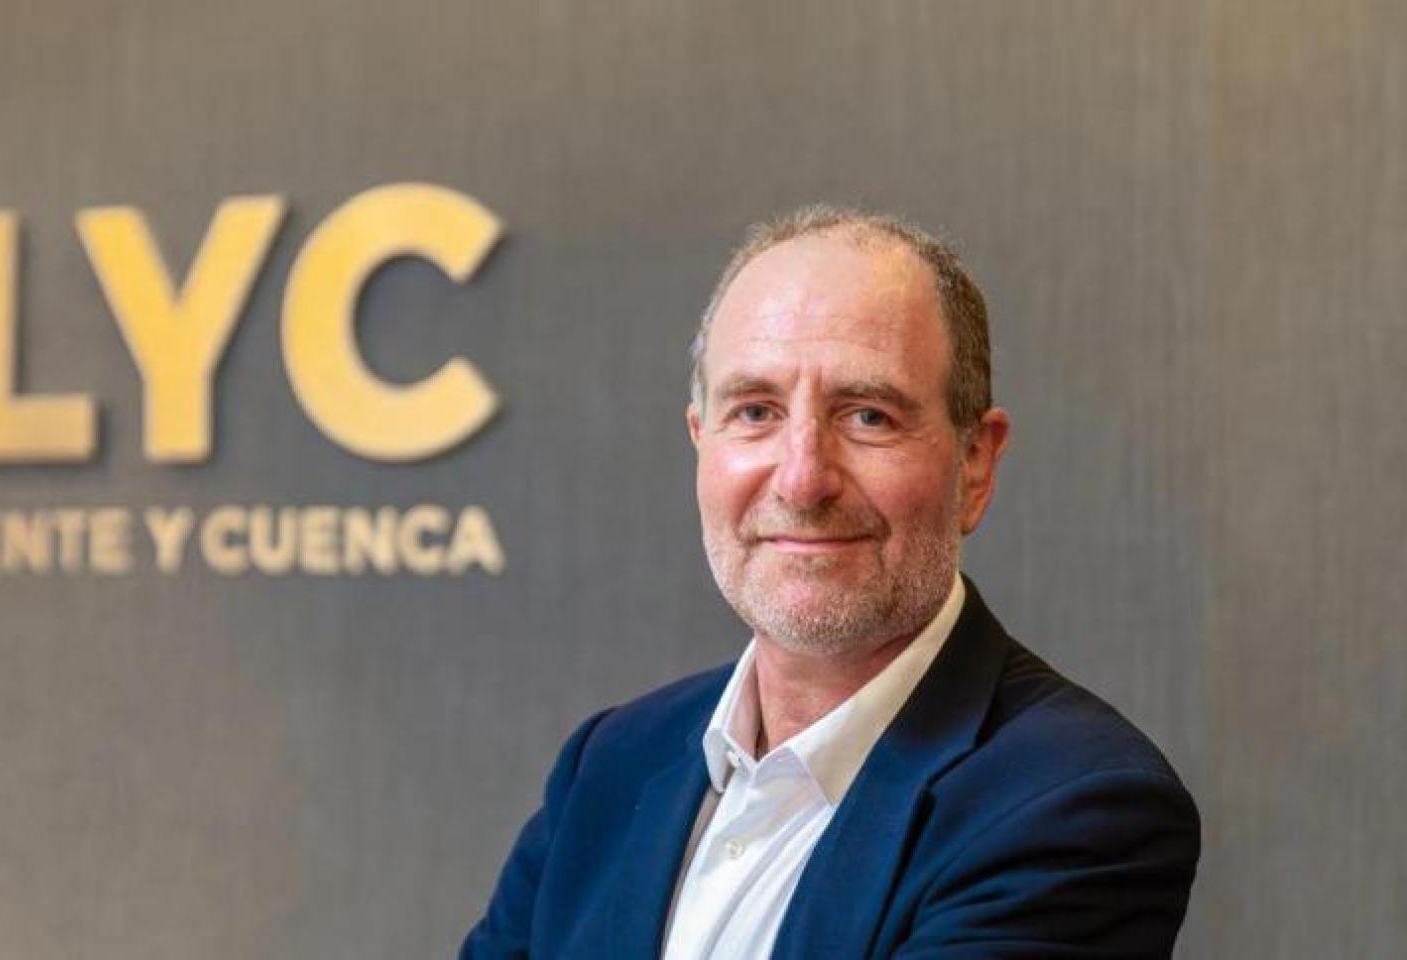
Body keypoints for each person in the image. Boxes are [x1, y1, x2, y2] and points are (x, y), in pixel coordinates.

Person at [461, 206, 1200, 959]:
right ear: (700, 442)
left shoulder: (1076, 802)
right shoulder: (610, 764)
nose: (803, 479)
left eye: (869, 416)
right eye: (756, 412)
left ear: (975, 463)